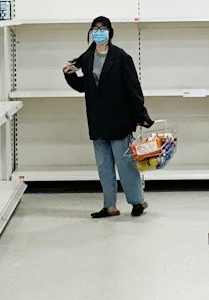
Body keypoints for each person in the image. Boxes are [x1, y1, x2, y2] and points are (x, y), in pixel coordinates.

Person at [62, 16, 153, 218]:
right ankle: (109, 206)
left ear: (110, 32)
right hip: (97, 119)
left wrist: (142, 115)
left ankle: (137, 202)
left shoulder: (121, 58)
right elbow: (83, 87)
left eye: (103, 28)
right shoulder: (87, 58)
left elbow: (133, 89)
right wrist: (69, 74)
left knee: (126, 164)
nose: (98, 31)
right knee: (104, 166)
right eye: (95, 28)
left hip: (119, 119)